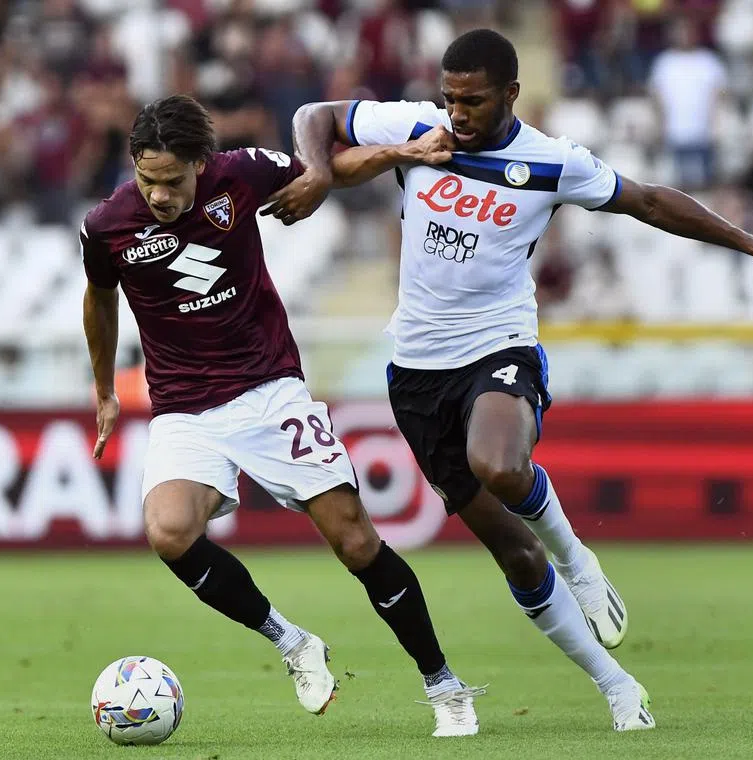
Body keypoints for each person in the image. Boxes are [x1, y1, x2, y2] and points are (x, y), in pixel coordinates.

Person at [271, 28, 753, 732]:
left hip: (500, 346)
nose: (458, 114)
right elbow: (315, 118)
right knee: (511, 548)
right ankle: (617, 685)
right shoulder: (417, 128)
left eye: (473, 100)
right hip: (414, 372)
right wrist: (319, 171)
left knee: (500, 465)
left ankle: (578, 559)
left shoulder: (550, 161)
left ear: (510, 94)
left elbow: (651, 200)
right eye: (450, 98)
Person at [80, 95, 481, 737]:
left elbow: (327, 169)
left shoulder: (240, 173)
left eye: (174, 181)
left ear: (201, 165)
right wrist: (104, 387)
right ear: (134, 167)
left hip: (270, 390)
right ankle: (293, 641)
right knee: (169, 531)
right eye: (149, 180)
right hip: (184, 407)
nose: (160, 195)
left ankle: (445, 685)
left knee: (354, 540)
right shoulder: (106, 226)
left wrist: (402, 153)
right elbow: (98, 300)